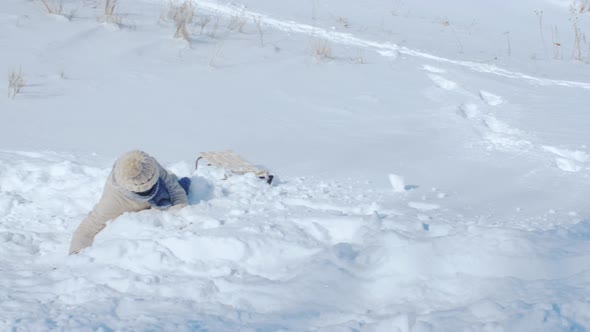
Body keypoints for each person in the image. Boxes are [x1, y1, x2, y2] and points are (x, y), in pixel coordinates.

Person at [69, 150, 191, 254]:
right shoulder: (112, 202)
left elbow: (174, 188)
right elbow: (86, 230)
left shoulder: (146, 162)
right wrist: (75, 253)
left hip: (153, 188)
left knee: (177, 183)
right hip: (125, 198)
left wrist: (180, 211)